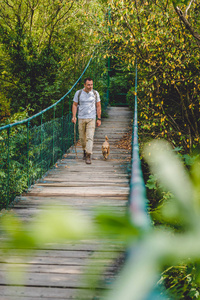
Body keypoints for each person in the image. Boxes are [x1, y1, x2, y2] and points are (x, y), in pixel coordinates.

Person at [71, 77, 101, 164]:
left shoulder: (95, 93)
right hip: (81, 118)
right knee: (82, 138)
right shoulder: (79, 93)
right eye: (88, 85)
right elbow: (75, 105)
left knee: (89, 137)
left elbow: (98, 106)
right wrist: (74, 116)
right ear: (84, 85)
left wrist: (99, 118)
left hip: (91, 118)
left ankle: (88, 155)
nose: (90, 86)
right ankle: (84, 150)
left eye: (91, 85)